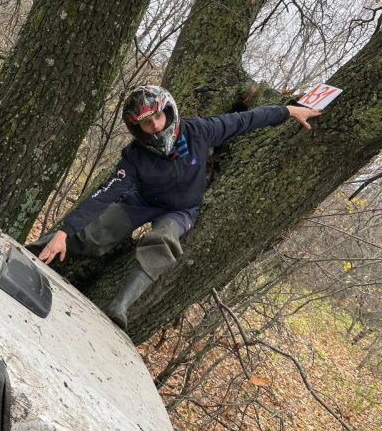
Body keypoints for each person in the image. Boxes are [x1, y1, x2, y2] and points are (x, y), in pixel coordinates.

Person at [30, 85, 322, 330]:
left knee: (164, 240)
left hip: (181, 209)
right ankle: (34, 251)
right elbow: (105, 192)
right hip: (142, 201)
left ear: (167, 111)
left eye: (157, 116)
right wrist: (64, 231)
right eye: (147, 122)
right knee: (95, 234)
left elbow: (246, 120)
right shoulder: (134, 156)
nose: (156, 125)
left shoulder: (198, 131)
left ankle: (120, 304)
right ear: (138, 128)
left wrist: (288, 111)